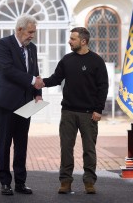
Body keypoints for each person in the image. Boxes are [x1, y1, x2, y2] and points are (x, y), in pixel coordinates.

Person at [42, 27, 108, 194]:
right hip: (68, 112)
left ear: (83, 41)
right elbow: (55, 79)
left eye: (73, 39)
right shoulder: (66, 60)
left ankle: (89, 182)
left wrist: (98, 109)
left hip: (89, 114)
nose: (69, 41)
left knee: (89, 150)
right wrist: (40, 82)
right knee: (66, 149)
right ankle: (65, 182)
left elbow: (103, 87)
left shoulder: (96, 61)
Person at [0, 14, 43, 195]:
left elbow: (35, 72)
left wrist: (38, 94)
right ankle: (5, 182)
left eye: (34, 32)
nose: (32, 36)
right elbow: (8, 69)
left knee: (22, 143)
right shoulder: (3, 44)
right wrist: (32, 81)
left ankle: (20, 182)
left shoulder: (32, 48)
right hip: (5, 102)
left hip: (26, 103)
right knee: (4, 143)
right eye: (30, 32)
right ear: (19, 29)